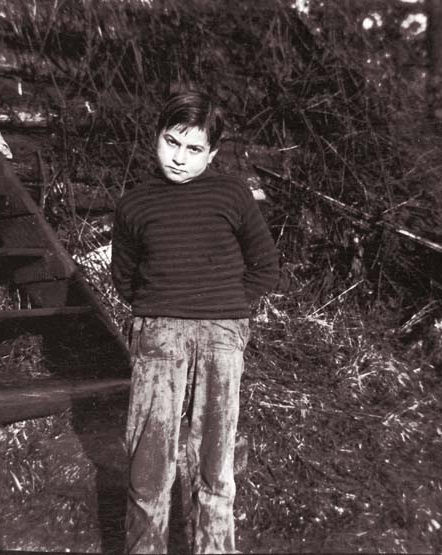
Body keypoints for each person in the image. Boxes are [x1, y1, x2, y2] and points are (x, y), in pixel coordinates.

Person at [111, 90, 279, 554]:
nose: (180, 158)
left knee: (214, 463)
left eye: (194, 148)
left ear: (212, 152)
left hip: (221, 337)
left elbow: (265, 267)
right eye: (172, 142)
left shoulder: (232, 194)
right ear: (156, 136)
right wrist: (160, 306)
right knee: (148, 464)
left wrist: (224, 306)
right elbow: (124, 276)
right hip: (158, 335)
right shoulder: (134, 204)